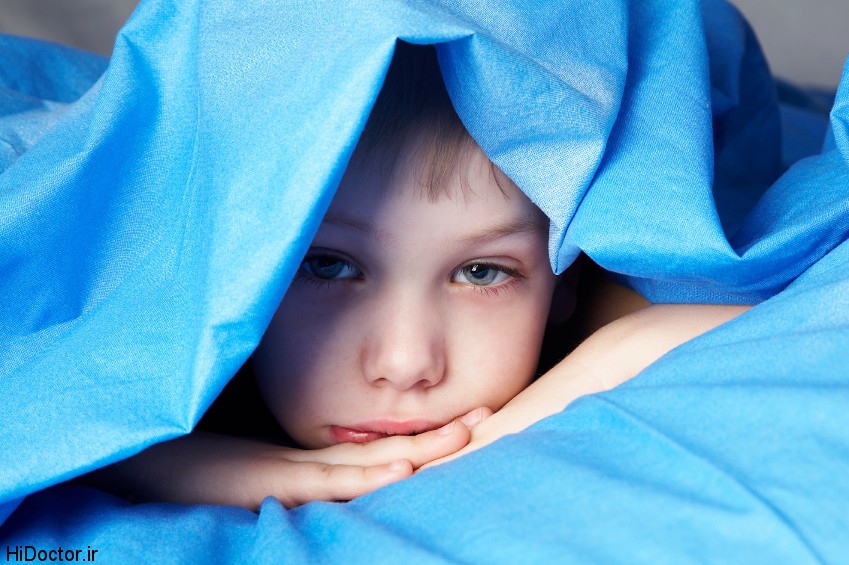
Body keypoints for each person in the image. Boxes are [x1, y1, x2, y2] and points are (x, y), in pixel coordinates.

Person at [85, 42, 748, 510]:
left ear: (563, 277)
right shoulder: (176, 316)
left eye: (481, 270)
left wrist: (480, 441)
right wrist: (230, 467)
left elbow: (720, 327)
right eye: (327, 265)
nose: (404, 364)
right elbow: (53, 399)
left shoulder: (590, 277)